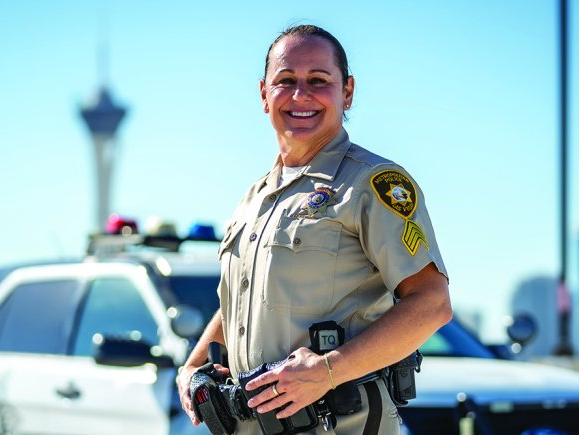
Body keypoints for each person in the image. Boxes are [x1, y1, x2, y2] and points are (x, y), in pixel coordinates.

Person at [176, 24, 452, 434]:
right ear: (264, 94)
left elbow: (432, 304)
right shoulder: (255, 199)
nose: (301, 95)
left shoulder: (372, 183)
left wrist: (327, 370)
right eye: (285, 81)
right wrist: (194, 364)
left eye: (318, 81)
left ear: (348, 91)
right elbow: (243, 296)